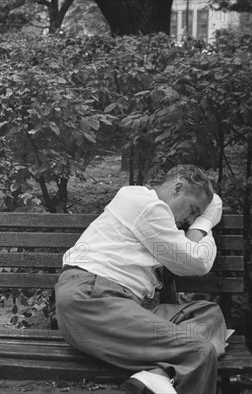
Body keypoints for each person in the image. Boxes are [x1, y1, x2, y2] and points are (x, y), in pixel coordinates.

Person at [55, 164, 227, 394]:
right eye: (192, 209)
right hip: (90, 300)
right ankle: (160, 376)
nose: (189, 220)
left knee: (210, 316)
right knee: (199, 351)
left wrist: (202, 214)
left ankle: (156, 377)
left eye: (196, 215)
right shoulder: (147, 206)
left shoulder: (150, 212)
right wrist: (204, 224)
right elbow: (197, 261)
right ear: (178, 188)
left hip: (117, 305)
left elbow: (190, 255)